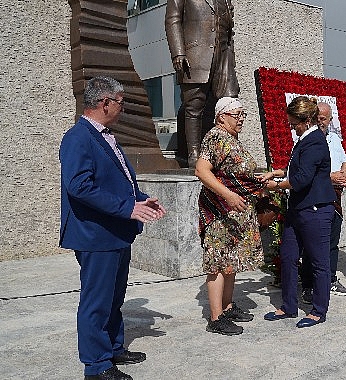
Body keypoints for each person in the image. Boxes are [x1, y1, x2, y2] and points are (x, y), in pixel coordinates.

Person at [60, 76, 167, 380]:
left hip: (116, 232)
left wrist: (142, 200)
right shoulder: (78, 137)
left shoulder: (106, 136)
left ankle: (113, 347)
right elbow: (79, 187)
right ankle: (97, 366)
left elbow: (117, 182)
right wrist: (127, 208)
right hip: (96, 235)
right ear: (104, 103)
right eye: (121, 101)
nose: (124, 107)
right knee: (96, 301)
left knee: (114, 297)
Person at [263, 96, 335, 328]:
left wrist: (276, 186)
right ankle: (289, 306)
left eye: (294, 123)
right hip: (298, 209)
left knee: (318, 262)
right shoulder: (305, 139)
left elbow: (302, 179)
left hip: (315, 211)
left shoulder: (315, 141)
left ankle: (318, 310)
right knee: (288, 257)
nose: (292, 128)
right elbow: (298, 168)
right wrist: (277, 173)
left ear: (306, 120)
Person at [194, 97, 263, 335]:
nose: (242, 119)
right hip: (220, 212)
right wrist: (229, 196)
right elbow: (201, 170)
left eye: (243, 115)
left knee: (230, 261)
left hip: (235, 215)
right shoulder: (215, 136)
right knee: (217, 263)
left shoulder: (232, 139)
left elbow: (240, 174)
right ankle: (216, 317)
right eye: (237, 115)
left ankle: (227, 306)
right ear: (222, 117)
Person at [165, 0, 240, 167]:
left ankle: (231, 152)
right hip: (195, 57)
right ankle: (194, 154)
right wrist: (178, 53)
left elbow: (229, 32)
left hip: (223, 60)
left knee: (230, 105)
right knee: (194, 107)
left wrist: (231, 59)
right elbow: (173, 19)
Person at [300, 102, 346, 302]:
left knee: (332, 242)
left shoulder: (333, 138)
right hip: (314, 199)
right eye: (319, 117)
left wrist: (344, 173)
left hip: (334, 198)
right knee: (311, 244)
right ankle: (308, 286)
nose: (322, 121)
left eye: (326, 118)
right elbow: (306, 173)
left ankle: (330, 280)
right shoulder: (305, 140)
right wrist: (332, 177)